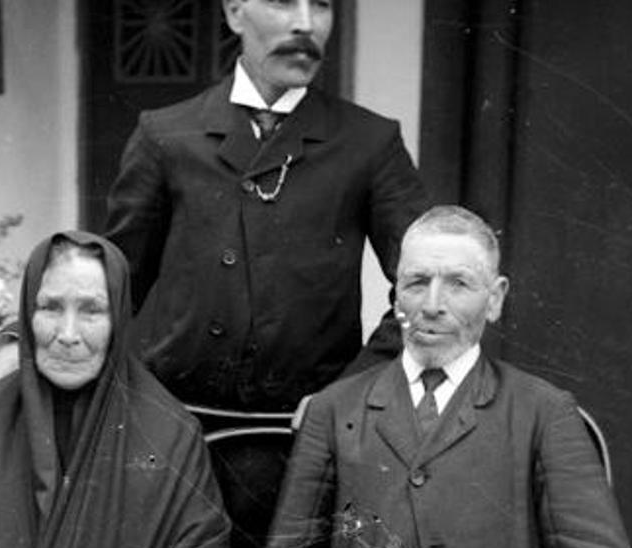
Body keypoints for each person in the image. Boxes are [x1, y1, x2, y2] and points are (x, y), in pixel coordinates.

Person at [105, 0, 430, 414]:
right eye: (282, 2)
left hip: (311, 430)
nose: (305, 24)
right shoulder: (165, 136)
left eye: (322, 5)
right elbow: (114, 286)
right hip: (179, 425)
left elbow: (426, 285)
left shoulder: (369, 141)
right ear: (235, 12)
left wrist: (352, 390)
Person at [267, 206, 630, 548]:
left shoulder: (544, 412)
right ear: (397, 297)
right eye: (417, 283)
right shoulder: (333, 409)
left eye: (458, 284)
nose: (432, 305)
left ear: (495, 299)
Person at [0, 231, 231, 548]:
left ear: (119, 320)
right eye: (52, 307)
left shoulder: (171, 437)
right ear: (28, 313)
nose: (68, 334)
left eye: (91, 310)